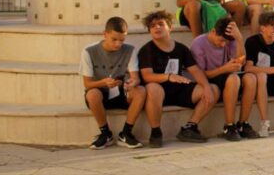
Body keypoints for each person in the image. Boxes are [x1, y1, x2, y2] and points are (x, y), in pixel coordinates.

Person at [138, 10, 216, 145]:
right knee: (153, 87)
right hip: (158, 93)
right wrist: (168, 77)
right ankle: (156, 131)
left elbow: (196, 71)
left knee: (213, 89)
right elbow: (147, 76)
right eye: (153, 26)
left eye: (161, 24)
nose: (157, 28)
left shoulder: (181, 48)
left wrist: (207, 87)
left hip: (179, 90)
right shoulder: (146, 50)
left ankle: (190, 127)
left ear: (170, 27)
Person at [80, 16, 146, 149]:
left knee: (141, 91)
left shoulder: (130, 50)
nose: (118, 44)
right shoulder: (88, 51)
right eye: (114, 39)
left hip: (122, 93)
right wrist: (103, 82)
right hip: (101, 94)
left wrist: (132, 83)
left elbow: (136, 78)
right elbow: (87, 84)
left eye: (122, 40)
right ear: (105, 34)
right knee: (92, 94)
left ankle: (126, 133)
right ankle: (105, 134)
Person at [190, 17, 258, 141]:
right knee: (233, 79)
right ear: (213, 31)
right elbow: (200, 75)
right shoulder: (198, 43)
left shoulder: (229, 40)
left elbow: (241, 62)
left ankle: (243, 124)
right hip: (208, 79)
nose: (223, 45)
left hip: (226, 75)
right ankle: (229, 126)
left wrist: (239, 39)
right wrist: (224, 69)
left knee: (251, 78)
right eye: (221, 40)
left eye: (226, 42)